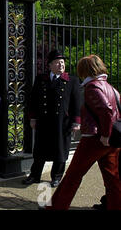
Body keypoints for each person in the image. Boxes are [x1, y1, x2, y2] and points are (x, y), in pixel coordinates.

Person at [46, 55, 121, 210]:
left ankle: (56, 207)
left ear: (85, 70)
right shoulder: (110, 87)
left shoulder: (93, 87)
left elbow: (105, 109)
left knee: (72, 176)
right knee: (112, 178)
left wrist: (106, 135)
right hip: (111, 141)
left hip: (95, 140)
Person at [23, 50, 81, 187]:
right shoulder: (41, 79)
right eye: (57, 62)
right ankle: (34, 175)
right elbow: (33, 100)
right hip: (43, 122)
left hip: (62, 123)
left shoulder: (72, 80)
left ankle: (56, 177)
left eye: (62, 62)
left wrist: (76, 122)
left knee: (60, 152)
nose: (61, 65)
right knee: (39, 151)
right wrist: (32, 118)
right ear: (50, 65)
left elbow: (77, 103)